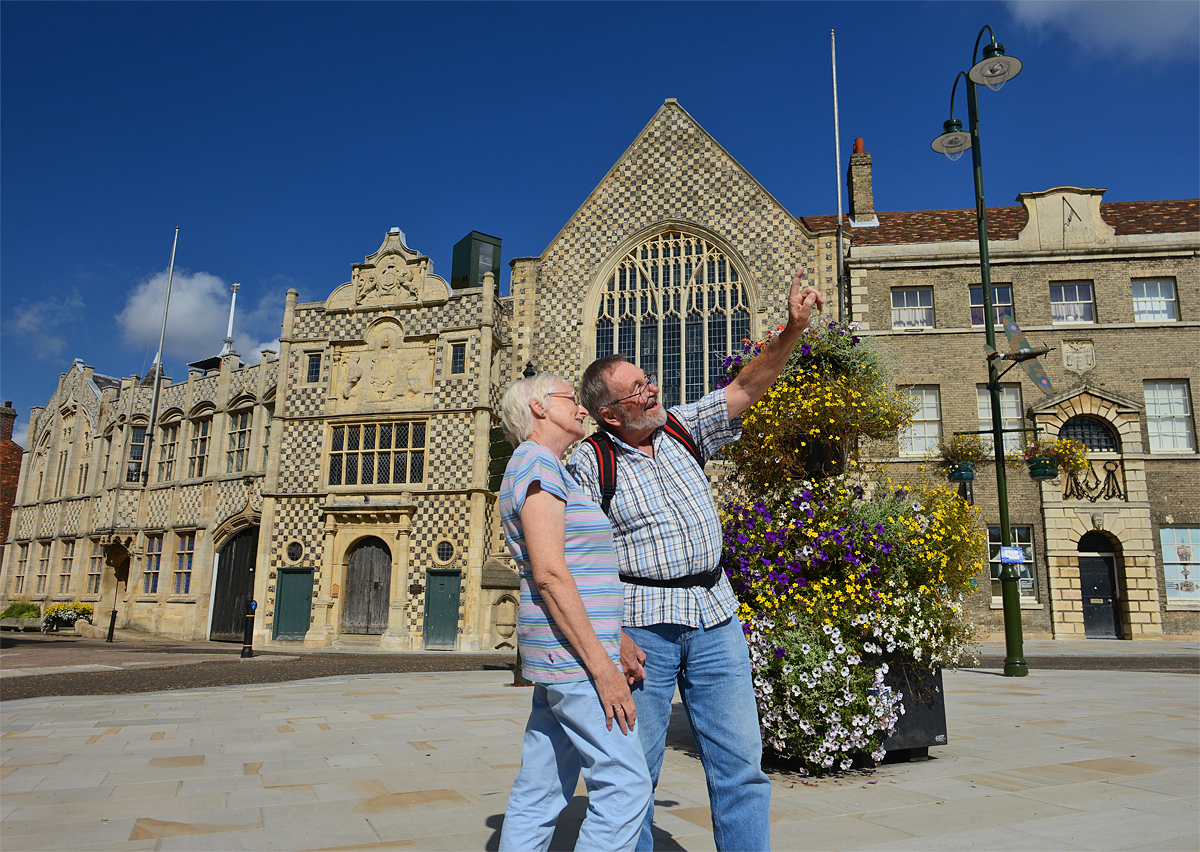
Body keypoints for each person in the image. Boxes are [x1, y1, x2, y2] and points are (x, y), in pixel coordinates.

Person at [568, 268, 824, 852]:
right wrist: (613, 639)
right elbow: (575, 563)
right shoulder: (587, 465)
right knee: (637, 778)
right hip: (642, 629)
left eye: (648, 380)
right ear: (610, 414)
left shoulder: (682, 427)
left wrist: (792, 328)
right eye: (637, 389)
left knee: (741, 769)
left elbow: (748, 387)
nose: (652, 390)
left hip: (716, 617)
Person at [496, 373, 652, 852]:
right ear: (539, 407)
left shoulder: (546, 467)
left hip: (563, 658)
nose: (583, 407)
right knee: (626, 787)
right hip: (577, 663)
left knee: (540, 793)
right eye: (572, 399)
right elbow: (550, 574)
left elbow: (580, 573)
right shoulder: (538, 466)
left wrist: (617, 639)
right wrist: (602, 667)